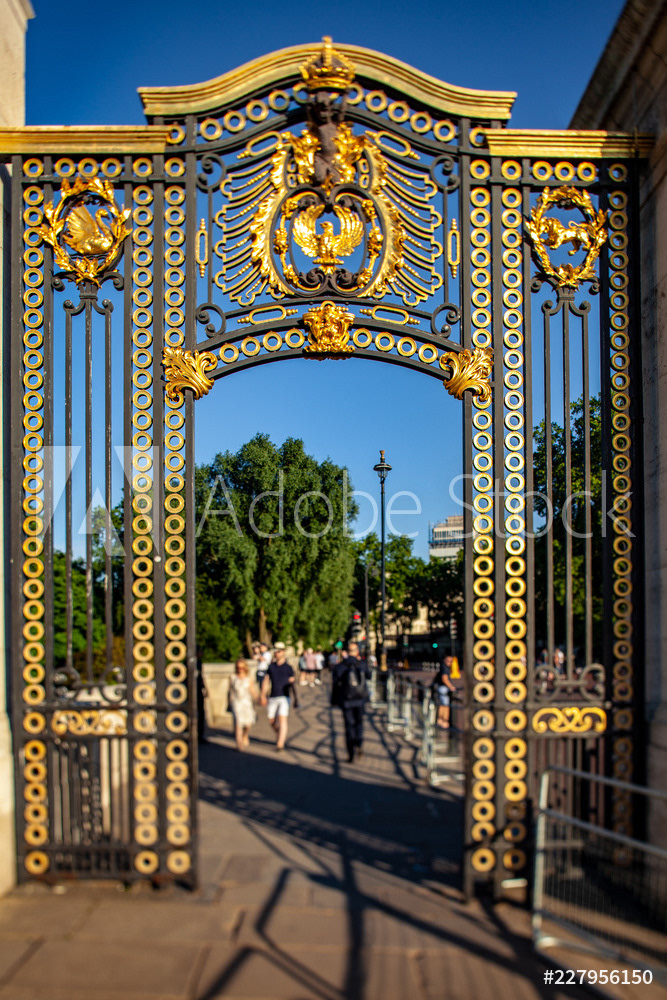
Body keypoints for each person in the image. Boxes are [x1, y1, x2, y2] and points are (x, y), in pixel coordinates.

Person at [331, 641, 370, 762]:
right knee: (359, 723)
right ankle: (359, 741)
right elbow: (369, 676)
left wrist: (333, 700)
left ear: (347, 652)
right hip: (360, 699)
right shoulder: (362, 664)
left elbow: (335, 685)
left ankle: (351, 751)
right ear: (357, 652)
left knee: (349, 725)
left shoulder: (340, 666)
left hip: (346, 700)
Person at [261, 642, 295, 751]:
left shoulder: (288, 668)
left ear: (283, 652)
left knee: (282, 718)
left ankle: (280, 743)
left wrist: (296, 699)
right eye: (275, 652)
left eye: (279, 651)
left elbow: (292, 684)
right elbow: (266, 681)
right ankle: (279, 733)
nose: (277, 654)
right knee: (271, 720)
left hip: (284, 696)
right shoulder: (271, 666)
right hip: (273, 696)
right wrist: (263, 695)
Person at [229, 658, 258, 751]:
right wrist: (229, 702)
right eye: (238, 668)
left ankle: (245, 734)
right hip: (237, 702)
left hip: (246, 702)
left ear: (245, 668)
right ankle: (239, 743)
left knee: (248, 723)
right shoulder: (233, 677)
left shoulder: (249, 678)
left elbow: (252, 690)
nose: (240, 669)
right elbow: (230, 691)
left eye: (242, 668)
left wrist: (258, 698)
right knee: (238, 722)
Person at [432, 656, 456, 729]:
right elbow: (444, 679)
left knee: (442, 705)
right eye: (448, 661)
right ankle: (445, 721)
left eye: (451, 661)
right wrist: (451, 687)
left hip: (441, 687)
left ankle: (440, 720)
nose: (450, 663)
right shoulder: (445, 668)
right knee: (445, 705)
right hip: (443, 688)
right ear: (445, 660)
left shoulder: (443, 667)